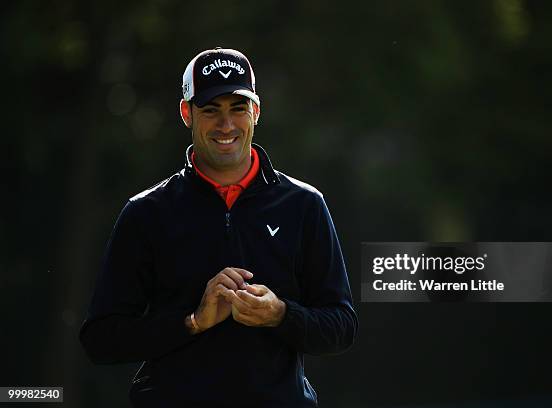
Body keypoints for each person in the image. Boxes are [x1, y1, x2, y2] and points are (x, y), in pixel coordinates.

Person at [79, 47, 358, 408]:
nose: (226, 125)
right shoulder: (146, 212)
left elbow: (341, 327)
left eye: (237, 108)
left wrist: (280, 314)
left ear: (255, 112)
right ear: (186, 113)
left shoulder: (304, 205)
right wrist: (192, 321)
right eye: (211, 110)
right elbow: (100, 339)